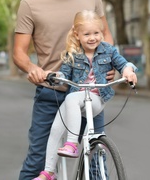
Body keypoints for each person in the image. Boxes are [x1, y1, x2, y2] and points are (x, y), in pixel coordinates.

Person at [13, 0, 115, 180]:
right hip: (52, 90)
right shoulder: (30, 4)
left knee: (96, 160)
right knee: (38, 162)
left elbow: (106, 34)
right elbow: (19, 52)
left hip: (88, 89)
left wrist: (109, 62)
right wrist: (32, 68)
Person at [33, 10, 138, 180]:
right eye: (87, 34)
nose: (92, 38)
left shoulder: (108, 51)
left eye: (96, 33)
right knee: (55, 130)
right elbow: (64, 76)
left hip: (95, 99)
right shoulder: (72, 54)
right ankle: (49, 172)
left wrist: (128, 72)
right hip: (75, 101)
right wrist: (54, 76)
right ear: (77, 34)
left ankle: (72, 144)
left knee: (71, 98)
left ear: (101, 33)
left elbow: (123, 64)